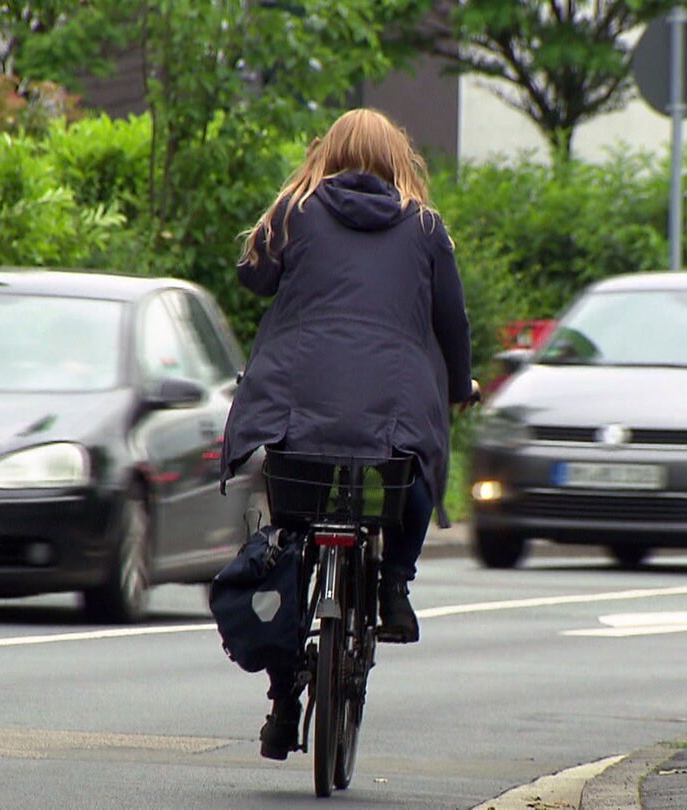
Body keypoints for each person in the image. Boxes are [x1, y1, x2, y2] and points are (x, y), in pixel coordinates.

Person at [218, 107, 478, 761]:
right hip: (391, 410)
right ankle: (394, 585)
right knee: (407, 476)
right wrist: (461, 387)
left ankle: (283, 701)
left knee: (293, 537)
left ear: (325, 154)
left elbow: (253, 278)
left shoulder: (297, 210)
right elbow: (453, 322)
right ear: (399, 160)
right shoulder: (425, 227)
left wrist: (278, 212)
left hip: (297, 409)